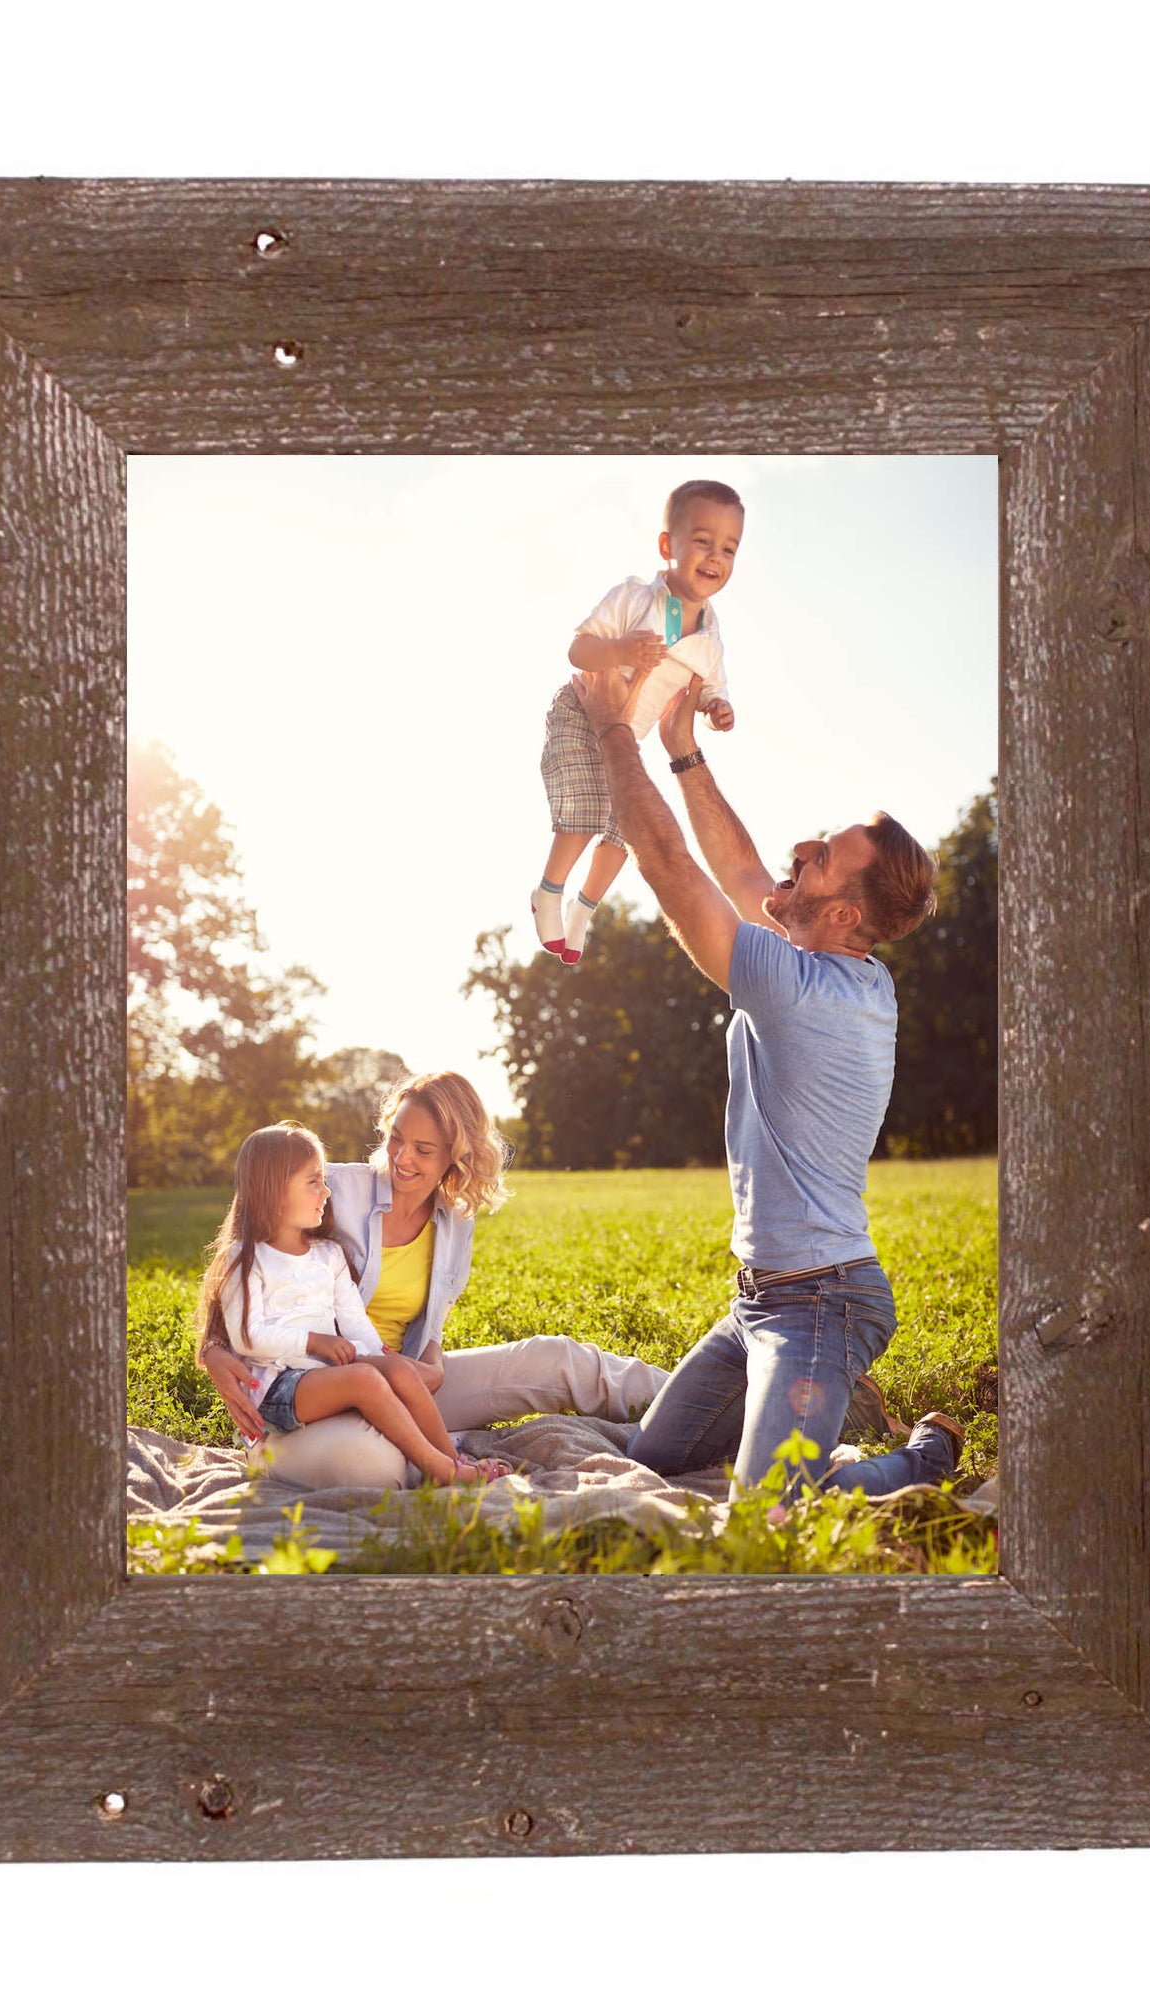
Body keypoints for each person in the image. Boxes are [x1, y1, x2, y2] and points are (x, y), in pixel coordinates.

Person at [568, 658, 967, 1498]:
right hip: (758, 1305)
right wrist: (682, 751)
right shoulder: (848, 970)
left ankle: (923, 1456)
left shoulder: (800, 990)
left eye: (821, 857)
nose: (801, 851)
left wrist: (612, 729)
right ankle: (823, 1402)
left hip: (824, 1301)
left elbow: (672, 865)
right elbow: (743, 870)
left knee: (766, 1507)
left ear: (842, 914)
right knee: (651, 1462)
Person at [199, 1071, 672, 1490]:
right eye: (396, 1138)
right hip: (305, 1392)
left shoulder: (454, 1222)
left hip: (396, 1379)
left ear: (456, 1154)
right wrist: (213, 1351)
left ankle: (696, 1400)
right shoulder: (331, 1188)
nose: (402, 1158)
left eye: (424, 1150)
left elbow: (431, 1331)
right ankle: (428, 1458)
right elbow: (244, 1256)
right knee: (375, 1466)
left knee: (557, 1358)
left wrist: (432, 1364)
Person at [198, 1122, 508, 1486]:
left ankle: (454, 1461)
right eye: (314, 1182)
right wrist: (315, 1342)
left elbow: (354, 1321)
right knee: (364, 1379)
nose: (326, 1191)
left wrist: (383, 1357)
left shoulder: (329, 1254)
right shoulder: (245, 1258)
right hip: (275, 1387)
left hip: (322, 1374)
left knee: (400, 1372)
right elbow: (248, 1337)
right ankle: (441, 1471)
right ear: (273, 1189)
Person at [531, 479, 743, 967]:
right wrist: (620, 650)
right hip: (580, 713)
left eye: (729, 548)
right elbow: (578, 649)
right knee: (586, 810)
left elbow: (714, 690)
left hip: (623, 739)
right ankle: (548, 891)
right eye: (703, 540)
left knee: (624, 833)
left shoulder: (710, 642)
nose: (715, 556)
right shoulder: (634, 598)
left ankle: (583, 909)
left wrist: (718, 710)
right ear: (668, 546)